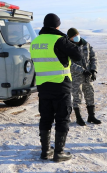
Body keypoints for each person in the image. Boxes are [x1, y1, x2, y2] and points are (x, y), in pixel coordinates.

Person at [30, 13, 82, 162]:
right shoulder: (59, 40)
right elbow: (78, 55)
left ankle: (45, 151)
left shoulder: (35, 42)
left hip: (43, 86)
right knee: (62, 118)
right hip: (60, 84)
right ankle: (59, 152)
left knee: (45, 118)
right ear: (57, 25)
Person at [67, 28, 101, 126]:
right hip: (76, 76)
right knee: (77, 97)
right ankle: (78, 118)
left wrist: (94, 70)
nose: (76, 37)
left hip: (88, 75)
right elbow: (70, 64)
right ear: (70, 38)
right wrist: (82, 70)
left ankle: (91, 116)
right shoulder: (68, 48)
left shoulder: (86, 44)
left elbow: (93, 57)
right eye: (74, 36)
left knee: (90, 95)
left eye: (77, 34)